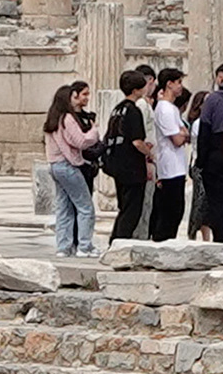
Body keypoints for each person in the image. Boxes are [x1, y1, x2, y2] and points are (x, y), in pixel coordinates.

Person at [38, 80, 98, 256]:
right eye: (73, 96)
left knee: (64, 208)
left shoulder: (53, 119)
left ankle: (64, 247)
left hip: (54, 165)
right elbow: (81, 141)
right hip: (68, 165)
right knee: (85, 207)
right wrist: (94, 131)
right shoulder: (67, 118)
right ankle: (85, 246)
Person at [190, 63, 223, 242]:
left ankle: (220, 241)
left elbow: (204, 132)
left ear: (220, 77)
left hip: (216, 156)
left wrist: (201, 162)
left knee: (217, 204)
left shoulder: (212, 100)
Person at [101, 68, 155, 245]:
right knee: (132, 209)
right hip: (132, 167)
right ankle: (120, 243)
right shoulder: (133, 111)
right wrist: (150, 154)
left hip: (118, 166)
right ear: (135, 90)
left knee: (124, 207)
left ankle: (115, 241)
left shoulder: (117, 109)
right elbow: (137, 142)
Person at [145, 70, 193, 239]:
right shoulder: (165, 109)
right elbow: (178, 139)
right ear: (169, 84)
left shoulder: (172, 109)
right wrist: (184, 134)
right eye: (178, 82)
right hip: (169, 166)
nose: (181, 86)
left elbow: (184, 133)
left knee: (176, 210)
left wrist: (184, 133)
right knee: (170, 211)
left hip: (176, 166)